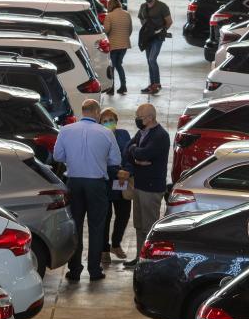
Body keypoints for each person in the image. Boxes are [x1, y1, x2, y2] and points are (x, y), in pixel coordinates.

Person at [53, 99, 121, 281]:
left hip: (73, 182)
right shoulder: (106, 132)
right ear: (97, 113)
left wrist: (73, 158)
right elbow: (115, 160)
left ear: (82, 111)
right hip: (96, 184)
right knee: (97, 227)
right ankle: (94, 270)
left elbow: (57, 155)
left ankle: (74, 270)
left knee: (76, 226)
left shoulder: (66, 130)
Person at [123, 103, 170, 268]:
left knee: (149, 226)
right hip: (139, 185)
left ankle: (149, 261)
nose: (137, 120)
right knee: (139, 225)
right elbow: (127, 149)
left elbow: (145, 153)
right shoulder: (142, 132)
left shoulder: (160, 136)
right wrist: (137, 158)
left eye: (140, 117)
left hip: (151, 189)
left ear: (150, 117)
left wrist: (136, 153)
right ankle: (139, 257)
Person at [99, 108, 133, 263]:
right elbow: (99, 160)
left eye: (111, 119)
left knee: (124, 213)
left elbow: (130, 155)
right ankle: (104, 249)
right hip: (106, 181)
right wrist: (116, 173)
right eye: (105, 121)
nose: (108, 123)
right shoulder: (97, 136)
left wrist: (126, 171)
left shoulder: (123, 134)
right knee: (105, 216)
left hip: (122, 181)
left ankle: (116, 244)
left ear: (116, 121)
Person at [138, 0, 172, 95]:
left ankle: (157, 84)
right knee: (149, 60)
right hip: (147, 37)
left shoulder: (162, 6)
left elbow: (169, 21)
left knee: (152, 59)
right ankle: (152, 84)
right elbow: (141, 17)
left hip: (158, 37)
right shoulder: (143, 6)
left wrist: (162, 30)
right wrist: (146, 28)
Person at [103, 0, 132, 95]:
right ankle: (123, 86)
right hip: (124, 45)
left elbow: (106, 30)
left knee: (112, 67)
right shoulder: (127, 14)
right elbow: (130, 30)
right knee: (119, 65)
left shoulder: (109, 16)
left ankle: (111, 88)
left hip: (113, 45)